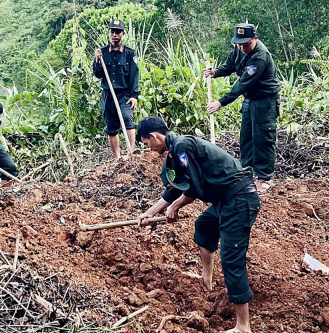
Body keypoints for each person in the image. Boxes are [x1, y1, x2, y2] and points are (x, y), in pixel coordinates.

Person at [136, 116, 260, 333]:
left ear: (155, 137)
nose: (149, 148)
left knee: (232, 259)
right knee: (204, 224)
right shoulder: (175, 152)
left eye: (147, 143)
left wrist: (174, 207)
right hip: (226, 200)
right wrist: (148, 213)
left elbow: (192, 189)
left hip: (239, 199)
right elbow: (174, 189)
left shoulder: (182, 147)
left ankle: (243, 327)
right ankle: (206, 279)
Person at [205, 23, 280, 193]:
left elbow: (242, 84)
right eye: (239, 44)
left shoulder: (260, 57)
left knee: (263, 139)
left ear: (255, 39)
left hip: (265, 100)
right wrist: (215, 72)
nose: (242, 47)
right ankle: (245, 174)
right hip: (250, 100)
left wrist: (220, 102)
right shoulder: (239, 49)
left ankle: (264, 178)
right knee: (246, 138)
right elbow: (231, 65)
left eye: (246, 43)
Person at [93, 19, 140, 159]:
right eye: (112, 32)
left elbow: (134, 75)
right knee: (111, 127)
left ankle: (131, 153)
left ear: (123, 34)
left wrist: (134, 96)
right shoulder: (101, 53)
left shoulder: (130, 53)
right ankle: (118, 159)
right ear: (109, 33)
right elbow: (98, 74)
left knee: (127, 118)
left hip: (124, 94)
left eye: (118, 32)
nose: (115, 35)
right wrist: (97, 61)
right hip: (108, 95)